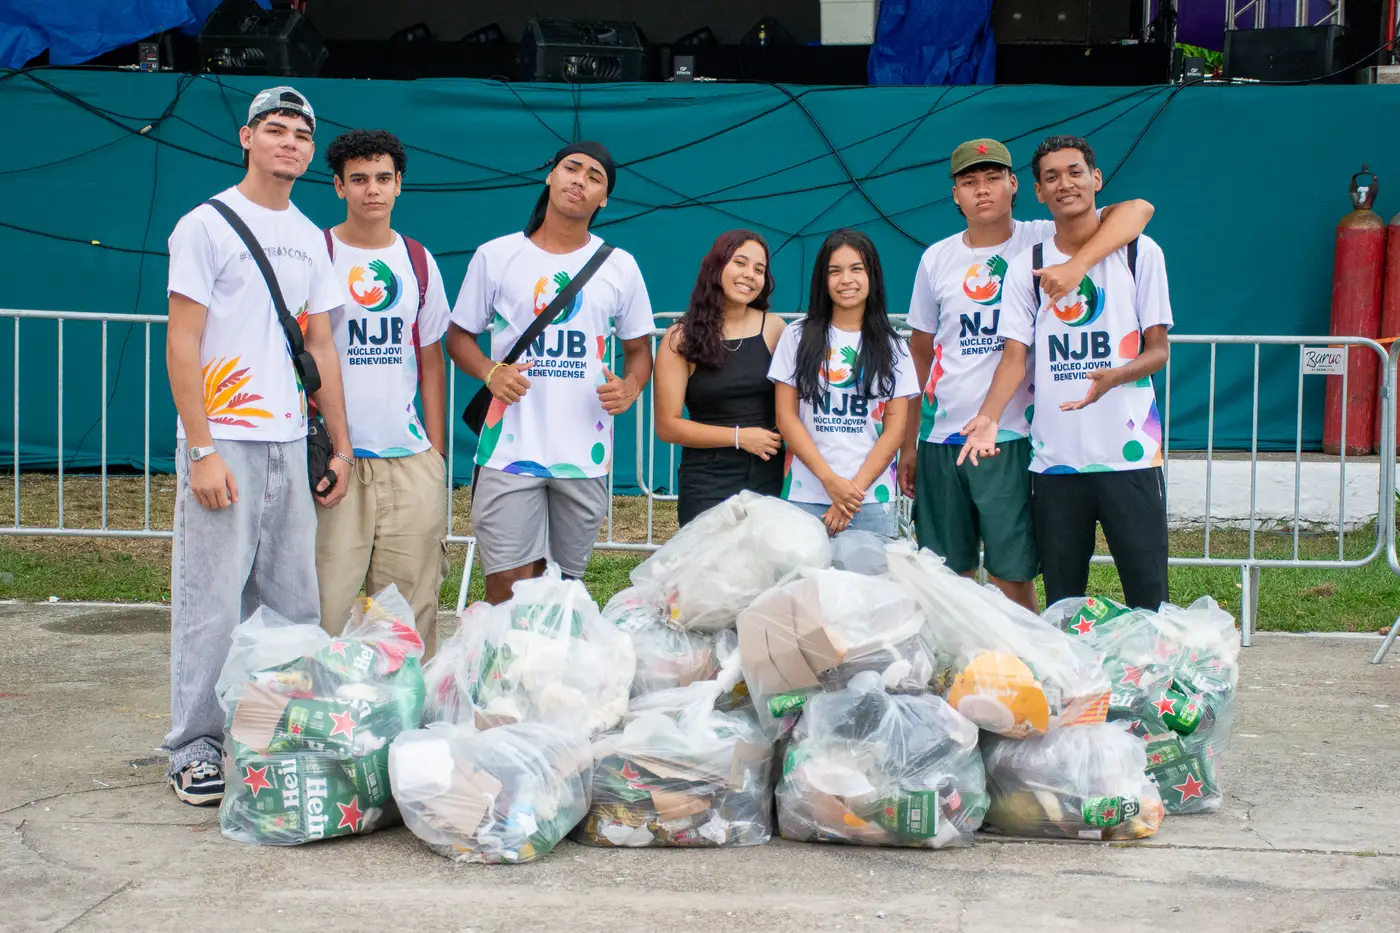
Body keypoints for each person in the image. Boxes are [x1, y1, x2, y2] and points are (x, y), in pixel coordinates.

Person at [162, 86, 352, 805]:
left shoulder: (311, 237)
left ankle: (273, 733)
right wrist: (201, 448)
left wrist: (340, 445)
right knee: (210, 602)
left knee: (292, 605)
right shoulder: (205, 224)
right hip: (227, 437)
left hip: (289, 440)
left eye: (300, 134)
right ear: (247, 137)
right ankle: (194, 746)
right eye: (274, 130)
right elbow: (183, 341)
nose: (289, 143)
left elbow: (321, 345)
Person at [900, 138, 1154, 613]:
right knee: (944, 573)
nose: (982, 190)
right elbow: (920, 355)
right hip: (942, 434)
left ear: (1017, 185)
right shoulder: (936, 258)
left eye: (993, 178)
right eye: (969, 182)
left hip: (1012, 434)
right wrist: (908, 442)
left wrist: (1076, 264)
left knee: (1011, 573)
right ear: (954, 194)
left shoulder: (1041, 239)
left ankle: (1025, 654)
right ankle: (959, 655)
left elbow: (1138, 210)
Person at [446, 141, 655, 604]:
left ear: (604, 199)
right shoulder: (497, 255)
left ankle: (550, 655)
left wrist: (631, 387)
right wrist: (490, 372)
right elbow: (458, 337)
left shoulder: (620, 266)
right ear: (550, 176)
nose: (579, 180)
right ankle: (500, 654)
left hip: (582, 454)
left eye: (594, 177)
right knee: (507, 586)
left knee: (562, 592)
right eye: (571, 168)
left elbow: (640, 351)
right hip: (508, 449)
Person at [315, 129, 452, 656]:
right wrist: (330, 446)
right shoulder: (318, 254)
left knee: (407, 615)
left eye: (382, 178)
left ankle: (405, 705)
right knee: (324, 606)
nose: (371, 189)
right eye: (358, 179)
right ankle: (319, 703)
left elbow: (431, 359)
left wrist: (435, 453)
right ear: (338, 187)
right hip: (335, 458)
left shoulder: (417, 260)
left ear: (399, 184)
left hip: (408, 459)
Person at [768, 229, 918, 538]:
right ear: (822, 280)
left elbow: (895, 432)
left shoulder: (895, 347)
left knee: (870, 573)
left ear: (872, 275)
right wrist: (830, 482)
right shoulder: (796, 336)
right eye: (835, 271)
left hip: (871, 501)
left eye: (856, 269)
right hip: (805, 495)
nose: (846, 280)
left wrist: (851, 493)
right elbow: (786, 418)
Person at [654, 230, 787, 525]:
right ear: (716, 266)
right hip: (707, 479)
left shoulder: (776, 329)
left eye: (759, 269)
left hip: (766, 475)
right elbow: (667, 426)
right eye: (740, 262)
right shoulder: (680, 338)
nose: (749, 274)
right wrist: (740, 437)